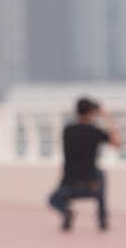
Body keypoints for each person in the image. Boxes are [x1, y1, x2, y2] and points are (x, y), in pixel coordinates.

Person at [48, 97, 120, 233]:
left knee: (52, 200)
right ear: (92, 112)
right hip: (91, 185)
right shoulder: (94, 131)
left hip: (68, 184)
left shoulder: (67, 130)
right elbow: (117, 143)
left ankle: (67, 213)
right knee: (101, 174)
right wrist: (107, 118)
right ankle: (102, 220)